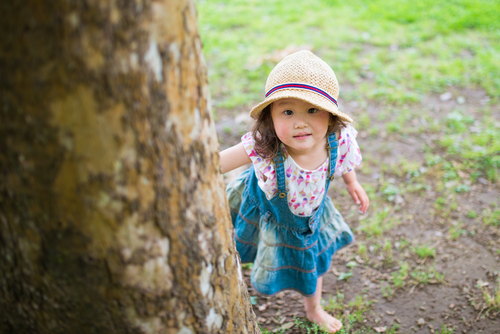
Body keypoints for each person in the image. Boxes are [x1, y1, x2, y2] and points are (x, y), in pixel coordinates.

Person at [219, 50, 369, 333]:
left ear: (330, 116)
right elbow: (218, 162)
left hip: (311, 219)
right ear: (270, 118)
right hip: (265, 212)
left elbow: (345, 163)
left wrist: (352, 182)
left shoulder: (338, 140)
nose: (300, 122)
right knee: (236, 248)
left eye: (313, 110)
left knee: (313, 264)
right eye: (288, 111)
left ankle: (314, 309)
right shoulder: (264, 145)